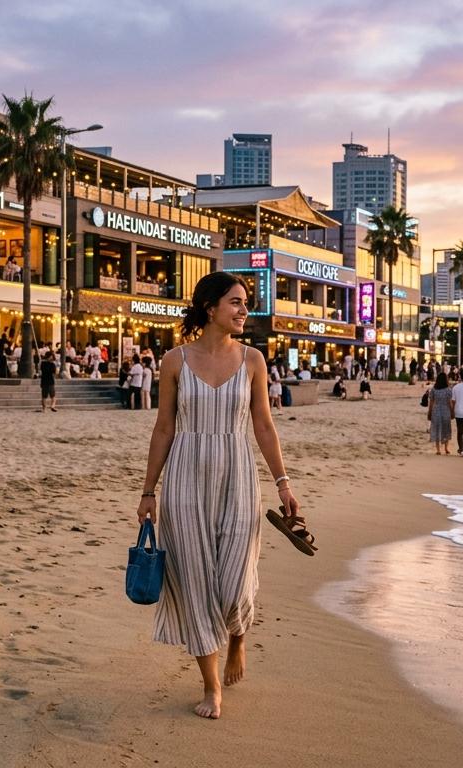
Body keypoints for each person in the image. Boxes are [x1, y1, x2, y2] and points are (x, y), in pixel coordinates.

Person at [135, 271, 299, 720]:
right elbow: (164, 427)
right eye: (236, 302)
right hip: (185, 477)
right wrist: (149, 491)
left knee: (232, 580)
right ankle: (211, 687)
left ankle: (238, 636)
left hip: (238, 474)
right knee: (193, 582)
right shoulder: (174, 361)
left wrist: (284, 482)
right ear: (211, 308)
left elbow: (263, 425)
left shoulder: (253, 361)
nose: (245, 310)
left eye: (245, 303)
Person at [427, 371, 455, 455]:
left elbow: (431, 402)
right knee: (446, 429)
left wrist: (429, 412)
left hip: (436, 411)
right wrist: (452, 411)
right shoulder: (448, 390)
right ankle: (446, 448)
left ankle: (438, 450)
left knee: (437, 429)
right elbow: (450, 402)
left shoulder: (433, 390)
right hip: (446, 410)